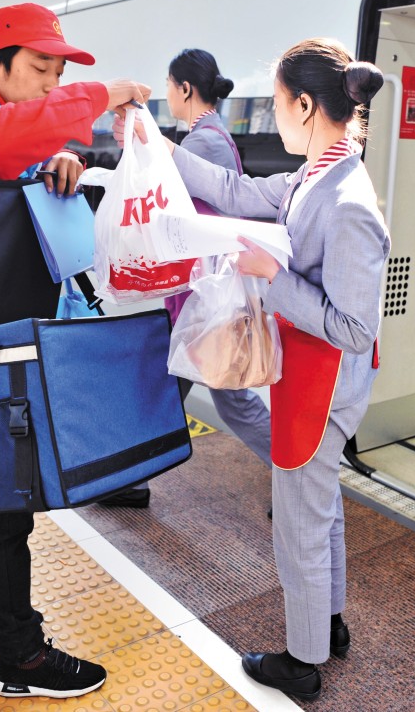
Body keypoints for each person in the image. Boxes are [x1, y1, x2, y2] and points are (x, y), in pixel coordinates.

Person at [120, 37, 389, 700]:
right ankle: (327, 622)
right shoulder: (317, 174)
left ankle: (302, 659)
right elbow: (234, 189)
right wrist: (154, 141)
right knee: (319, 510)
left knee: (301, 519)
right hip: (310, 374)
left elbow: (356, 328)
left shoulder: (347, 201)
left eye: (276, 105)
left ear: (304, 104)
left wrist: (273, 279)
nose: (273, 117)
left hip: (326, 383)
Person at [0, 2, 150, 699]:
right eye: (40, 69)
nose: (52, 84)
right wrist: (99, 94)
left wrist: (59, 159)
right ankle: (21, 659)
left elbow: (10, 157)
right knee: (0, 499)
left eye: (61, 73)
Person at [101, 48, 272, 510]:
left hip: (204, 294)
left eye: (169, 86)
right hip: (199, 292)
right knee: (177, 386)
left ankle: (297, 469)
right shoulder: (207, 135)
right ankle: (125, 478)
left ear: (184, 89)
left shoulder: (205, 142)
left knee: (195, 391)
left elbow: (173, 200)